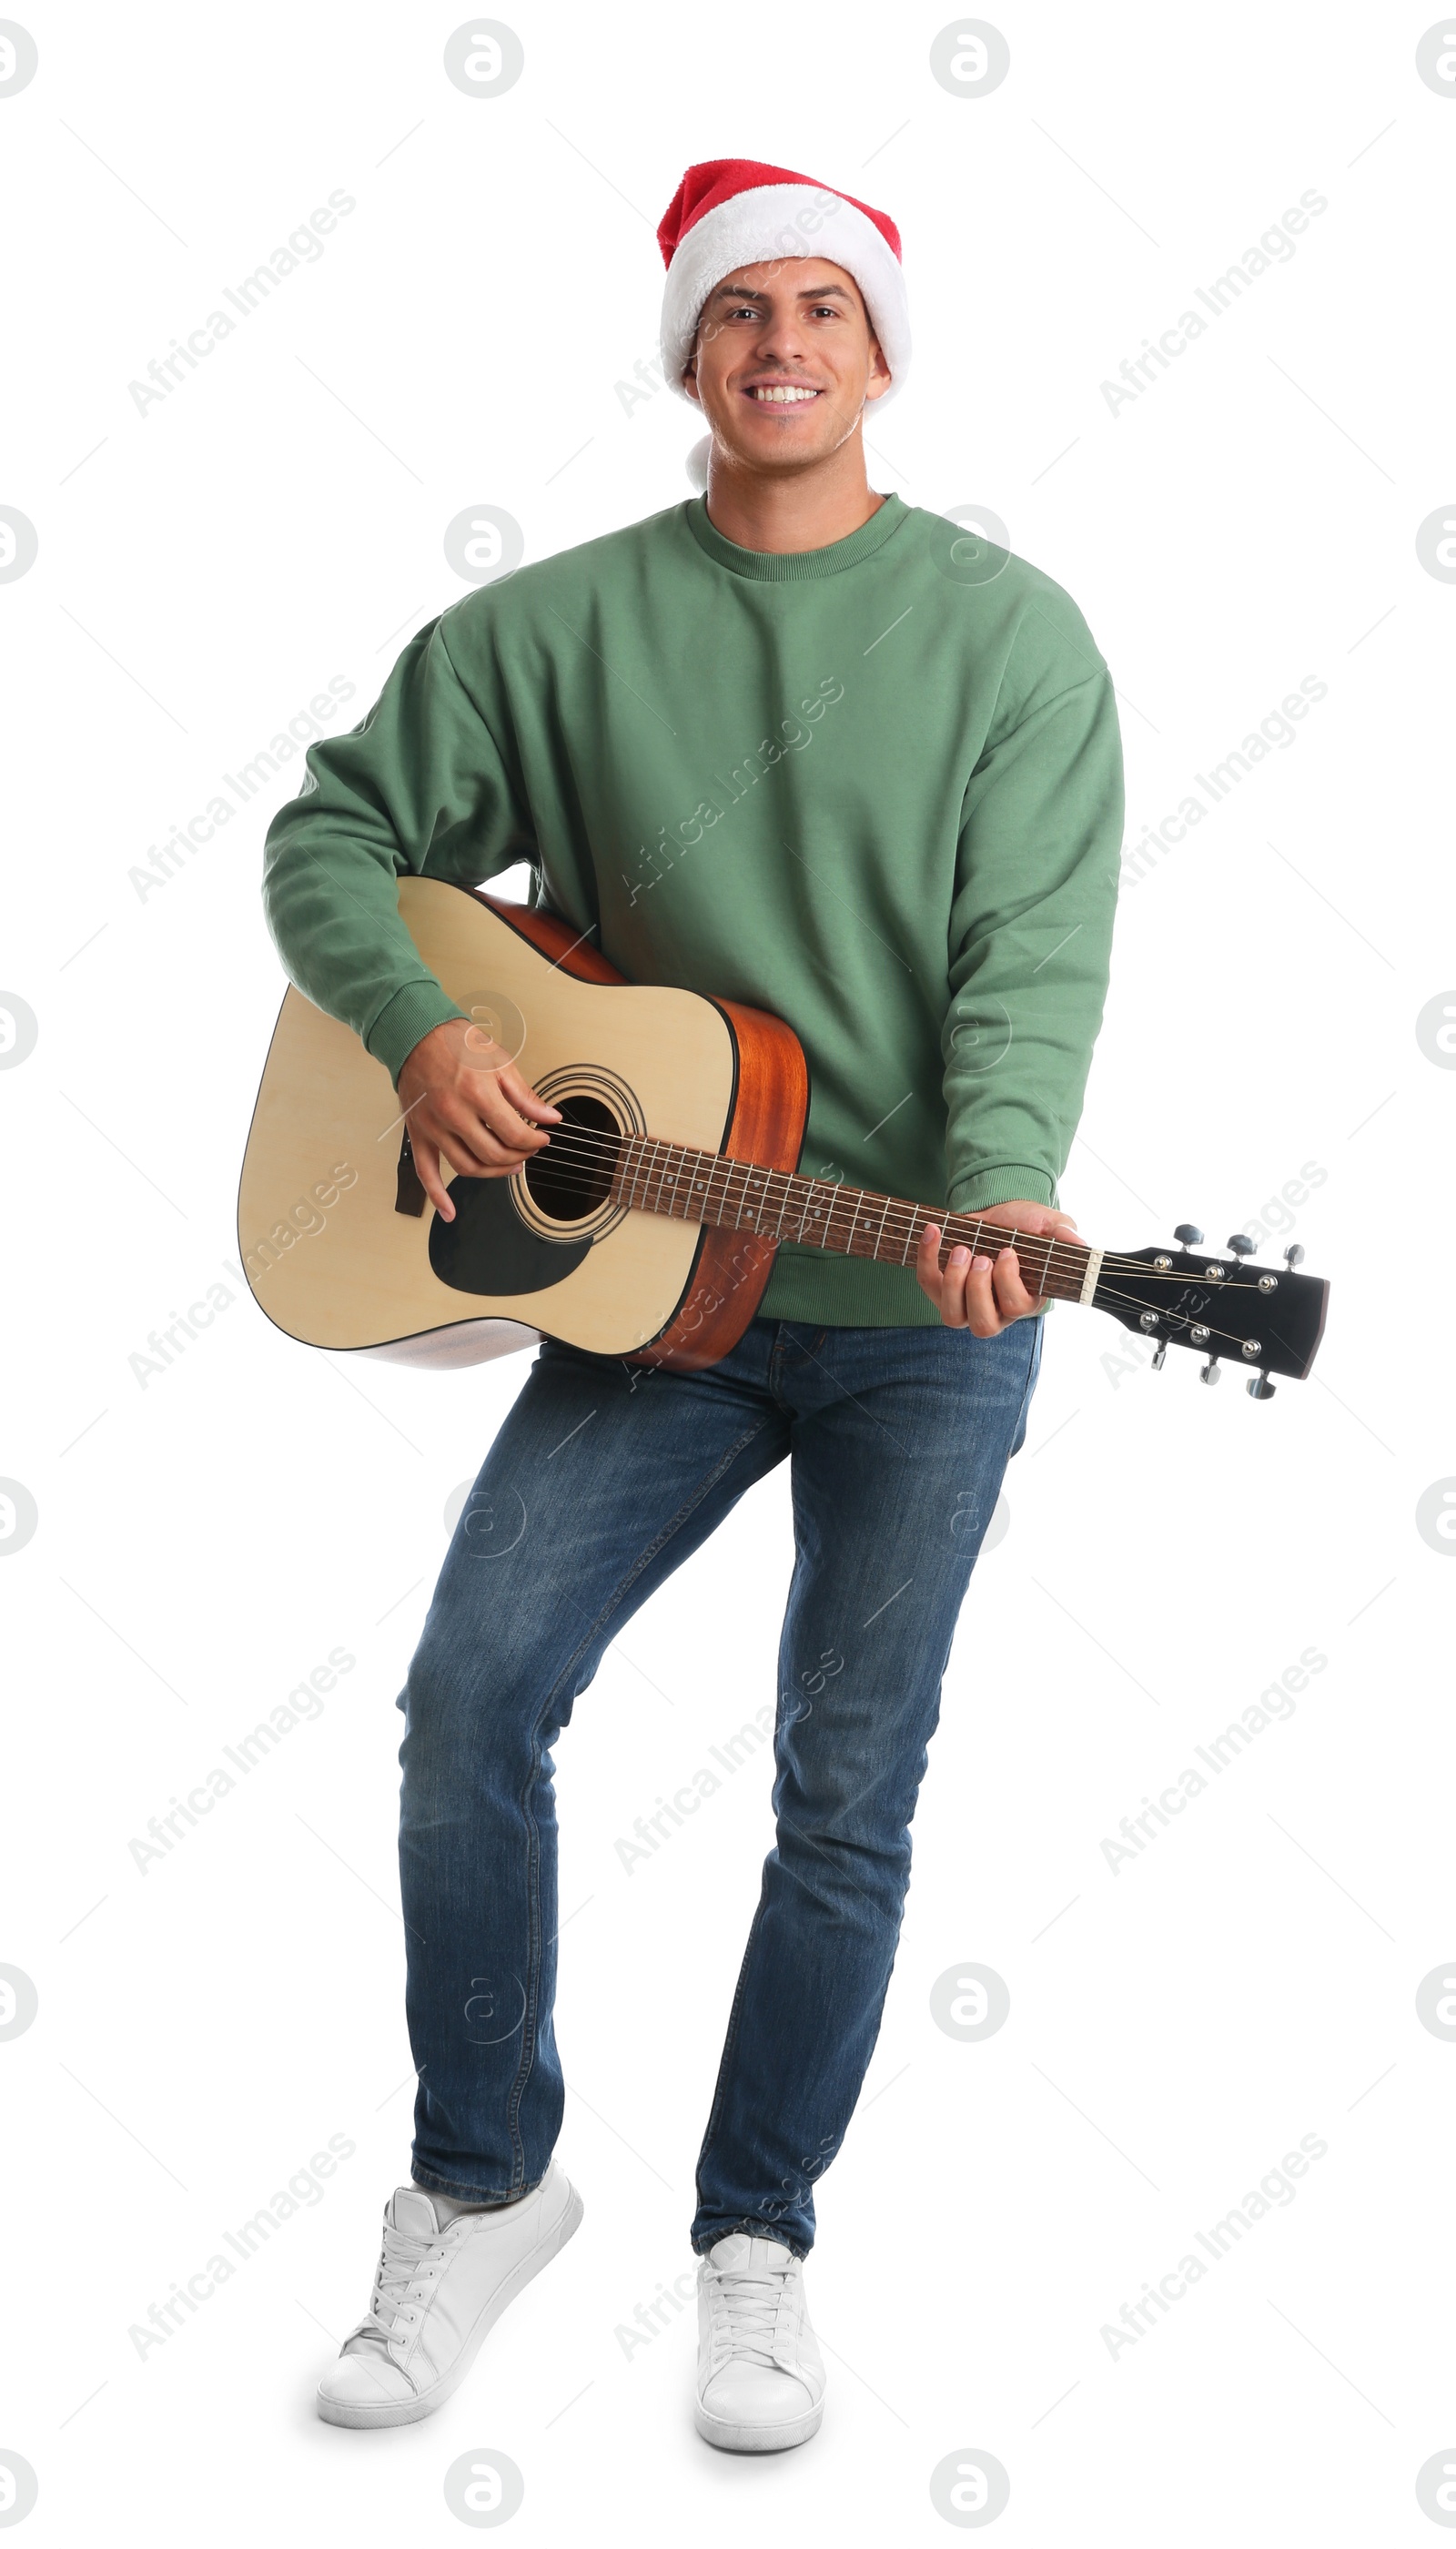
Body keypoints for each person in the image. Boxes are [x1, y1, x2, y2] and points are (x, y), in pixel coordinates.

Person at [260, 155, 1124, 2450]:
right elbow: (334, 834)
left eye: (823, 309)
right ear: (685, 352)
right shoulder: (552, 634)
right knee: (471, 1698)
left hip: (914, 1313)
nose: (778, 347)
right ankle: (480, 2180)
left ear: (877, 354)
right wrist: (424, 1030)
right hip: (655, 1286)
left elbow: (1022, 962)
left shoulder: (1006, 639)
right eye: (738, 311)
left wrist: (996, 1194)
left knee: (843, 1788)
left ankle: (755, 2239)